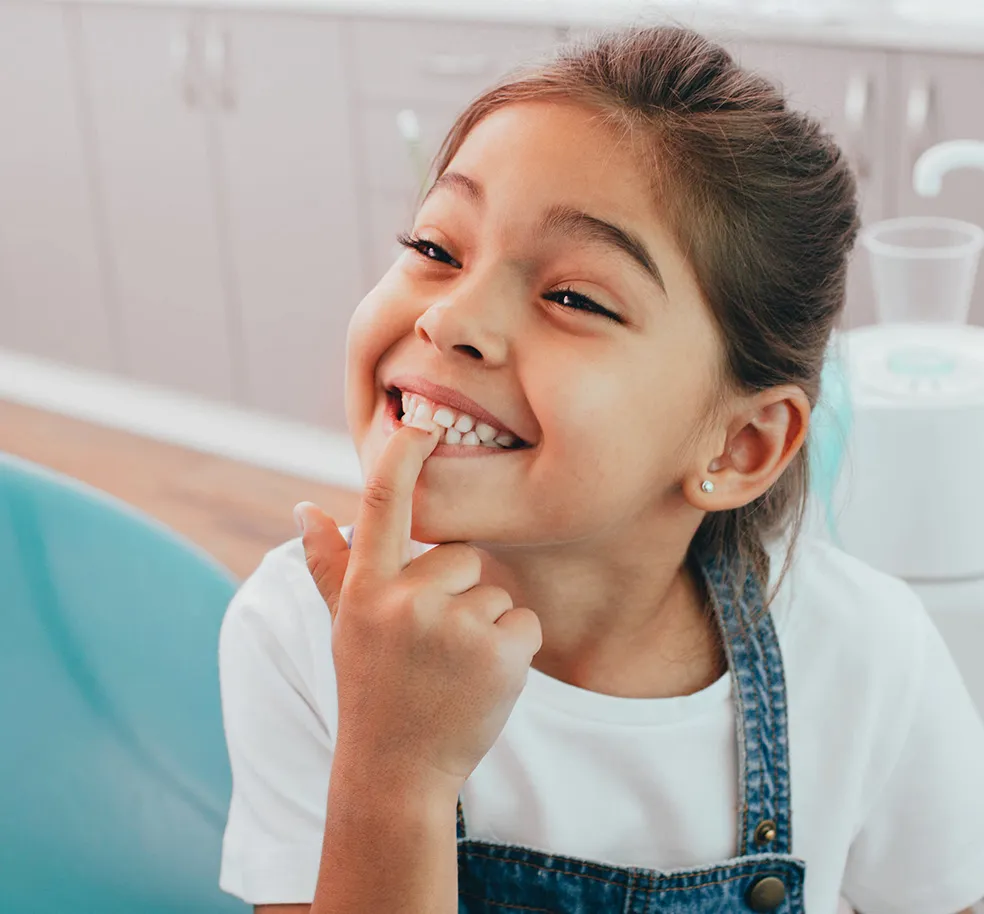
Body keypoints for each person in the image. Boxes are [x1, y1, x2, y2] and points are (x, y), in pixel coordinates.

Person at [216, 24, 984, 914]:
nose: (452, 318)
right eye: (436, 248)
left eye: (574, 297)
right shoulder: (299, 634)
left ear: (740, 448)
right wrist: (394, 770)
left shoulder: (870, 661)